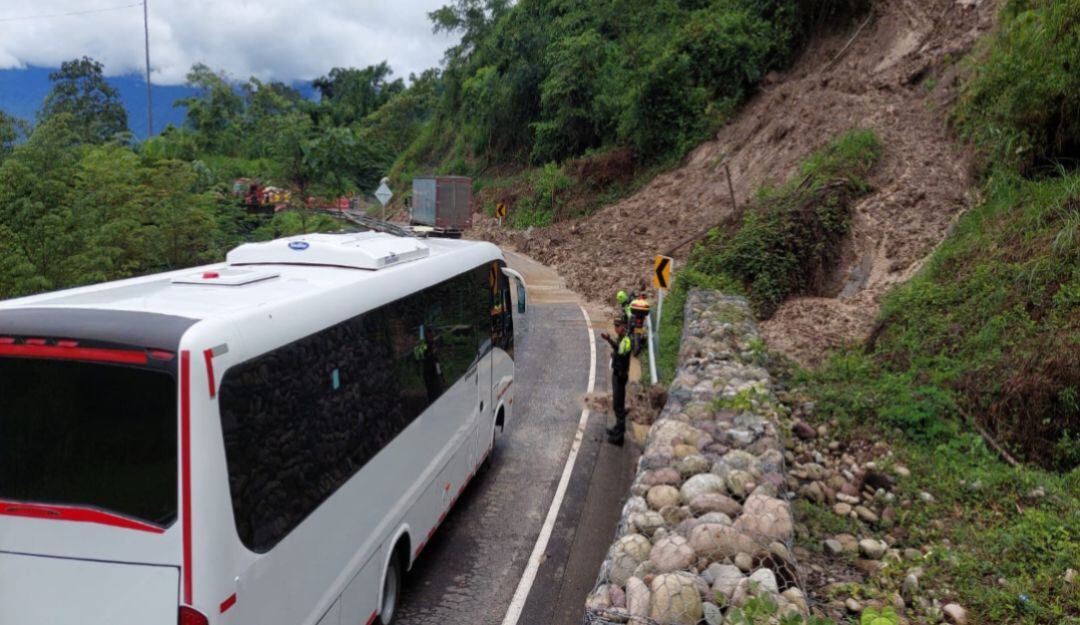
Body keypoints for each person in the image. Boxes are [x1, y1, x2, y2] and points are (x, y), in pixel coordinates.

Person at [600, 316, 633, 446]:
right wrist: (609, 340)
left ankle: (619, 437)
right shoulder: (622, 339)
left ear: (623, 327)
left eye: (617, 326)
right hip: (617, 374)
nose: (615, 329)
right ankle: (616, 429)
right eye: (615, 326)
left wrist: (614, 355)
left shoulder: (626, 341)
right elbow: (618, 348)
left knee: (618, 407)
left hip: (620, 375)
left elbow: (620, 353)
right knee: (616, 405)